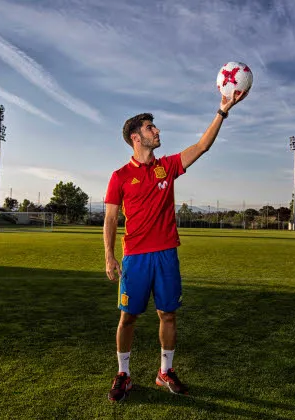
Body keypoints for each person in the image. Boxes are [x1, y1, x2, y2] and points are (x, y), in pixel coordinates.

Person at [104, 89, 248, 402]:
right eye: (149, 128)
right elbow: (111, 220)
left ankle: (164, 371)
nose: (156, 131)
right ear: (135, 137)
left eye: (154, 127)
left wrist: (222, 111)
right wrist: (109, 256)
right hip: (135, 259)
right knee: (127, 317)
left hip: (166, 255)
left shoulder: (167, 167)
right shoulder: (119, 176)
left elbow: (202, 146)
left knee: (168, 315)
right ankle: (124, 374)